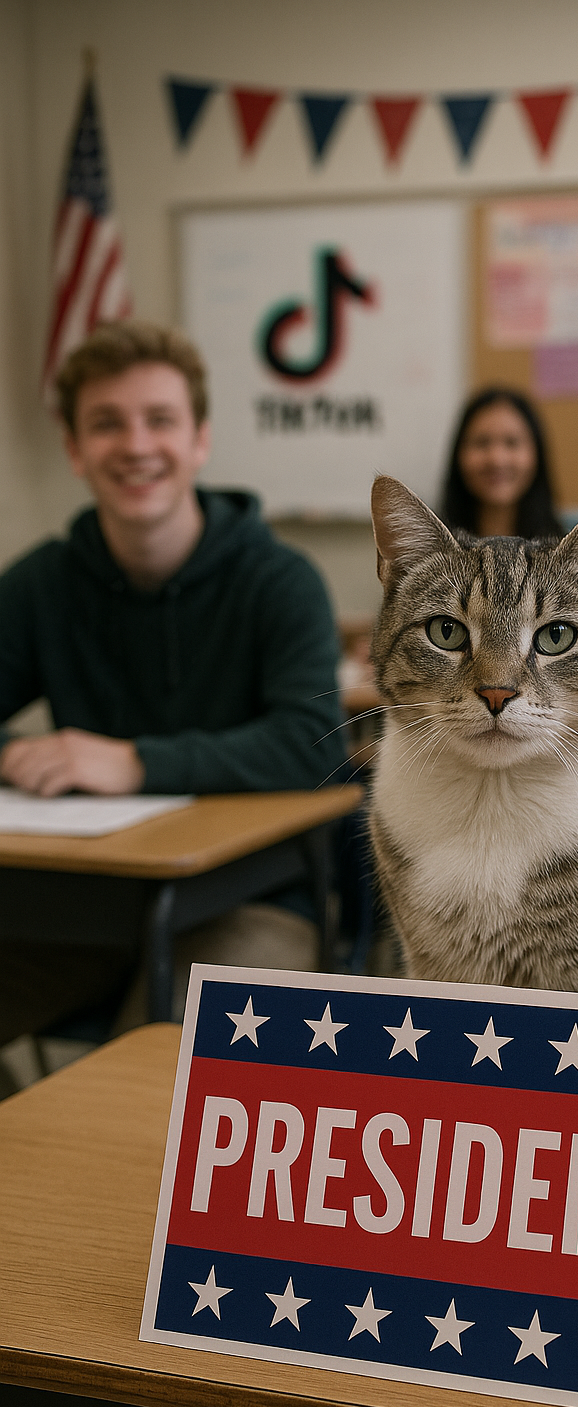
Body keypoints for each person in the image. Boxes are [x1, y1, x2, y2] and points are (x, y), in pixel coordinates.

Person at [0, 320, 344, 1059]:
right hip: (73, 910)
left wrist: (134, 762)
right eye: (106, 424)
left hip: (254, 903)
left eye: (160, 420)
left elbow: (311, 744)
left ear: (200, 440)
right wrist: (19, 757)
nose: (135, 445)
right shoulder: (42, 583)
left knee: (155, 1081)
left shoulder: (281, 582)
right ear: (74, 449)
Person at [441, 387, 561, 539]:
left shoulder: (566, 549)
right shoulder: (428, 551)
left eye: (512, 443)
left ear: (536, 453)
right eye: (482, 443)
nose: (497, 460)